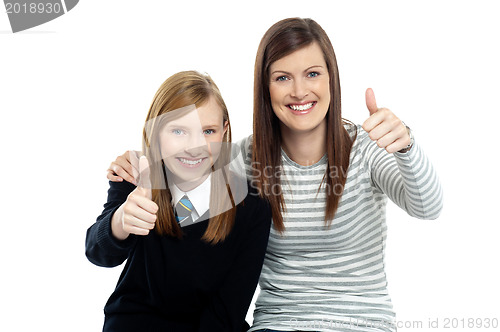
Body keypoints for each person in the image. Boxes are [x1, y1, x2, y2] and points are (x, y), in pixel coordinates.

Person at [107, 18, 443, 332]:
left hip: (362, 322)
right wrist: (139, 168)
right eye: (282, 77)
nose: (299, 91)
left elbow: (428, 208)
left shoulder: (368, 148)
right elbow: (180, 213)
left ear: (331, 79)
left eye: (312, 74)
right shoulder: (241, 158)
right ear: (266, 87)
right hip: (278, 324)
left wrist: (406, 148)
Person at [86, 71, 271, 332]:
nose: (194, 147)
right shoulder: (136, 177)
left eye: (208, 131)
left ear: (224, 130)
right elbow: (98, 252)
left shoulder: (251, 207)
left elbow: (228, 308)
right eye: (178, 131)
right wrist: (121, 221)